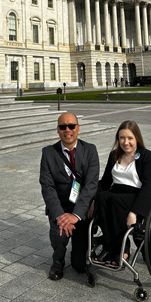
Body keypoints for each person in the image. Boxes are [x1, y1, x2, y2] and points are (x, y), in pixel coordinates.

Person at [40, 112, 99, 280]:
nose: (68, 130)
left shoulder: (90, 150)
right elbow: (47, 187)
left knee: (79, 266)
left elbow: (91, 185)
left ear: (78, 128)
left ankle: (87, 246)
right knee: (59, 235)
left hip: (82, 210)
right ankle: (57, 261)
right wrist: (60, 214)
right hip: (60, 207)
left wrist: (76, 214)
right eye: (63, 127)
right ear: (58, 130)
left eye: (71, 126)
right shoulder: (48, 153)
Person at [94, 120, 151, 266]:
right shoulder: (114, 155)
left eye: (130, 138)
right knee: (103, 196)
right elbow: (105, 182)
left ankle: (123, 249)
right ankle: (110, 247)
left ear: (137, 139)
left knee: (114, 201)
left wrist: (134, 212)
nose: (126, 142)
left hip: (135, 195)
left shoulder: (148, 157)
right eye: (122, 138)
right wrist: (92, 200)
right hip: (115, 193)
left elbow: (148, 187)